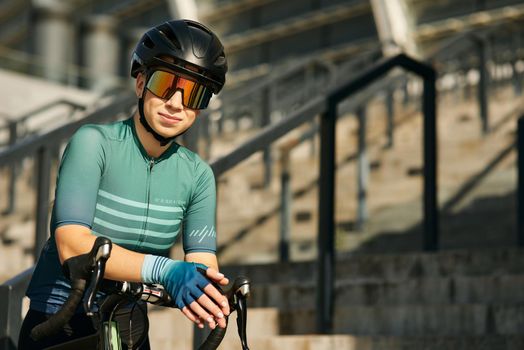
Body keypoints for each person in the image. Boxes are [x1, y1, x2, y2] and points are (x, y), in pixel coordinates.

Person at [18, 19, 229, 350]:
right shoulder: (94, 143)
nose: (176, 103)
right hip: (61, 319)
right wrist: (166, 270)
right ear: (141, 83)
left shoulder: (198, 175)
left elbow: (202, 263)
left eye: (192, 93)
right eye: (165, 84)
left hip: (128, 325)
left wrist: (208, 290)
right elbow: (72, 244)